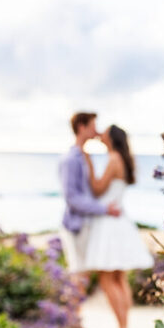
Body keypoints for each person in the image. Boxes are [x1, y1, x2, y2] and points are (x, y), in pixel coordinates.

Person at [83, 124, 154, 328]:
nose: (101, 137)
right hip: (120, 219)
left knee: (107, 278)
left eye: (104, 134)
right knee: (119, 278)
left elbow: (97, 189)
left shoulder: (113, 159)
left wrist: (88, 164)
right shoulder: (124, 160)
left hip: (109, 222)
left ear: (111, 138)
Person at [58, 112, 121, 277]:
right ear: (81, 127)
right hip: (76, 225)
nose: (96, 131)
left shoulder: (84, 156)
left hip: (86, 224)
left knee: (83, 276)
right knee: (79, 275)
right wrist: (104, 209)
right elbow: (72, 198)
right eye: (93, 127)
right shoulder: (71, 159)